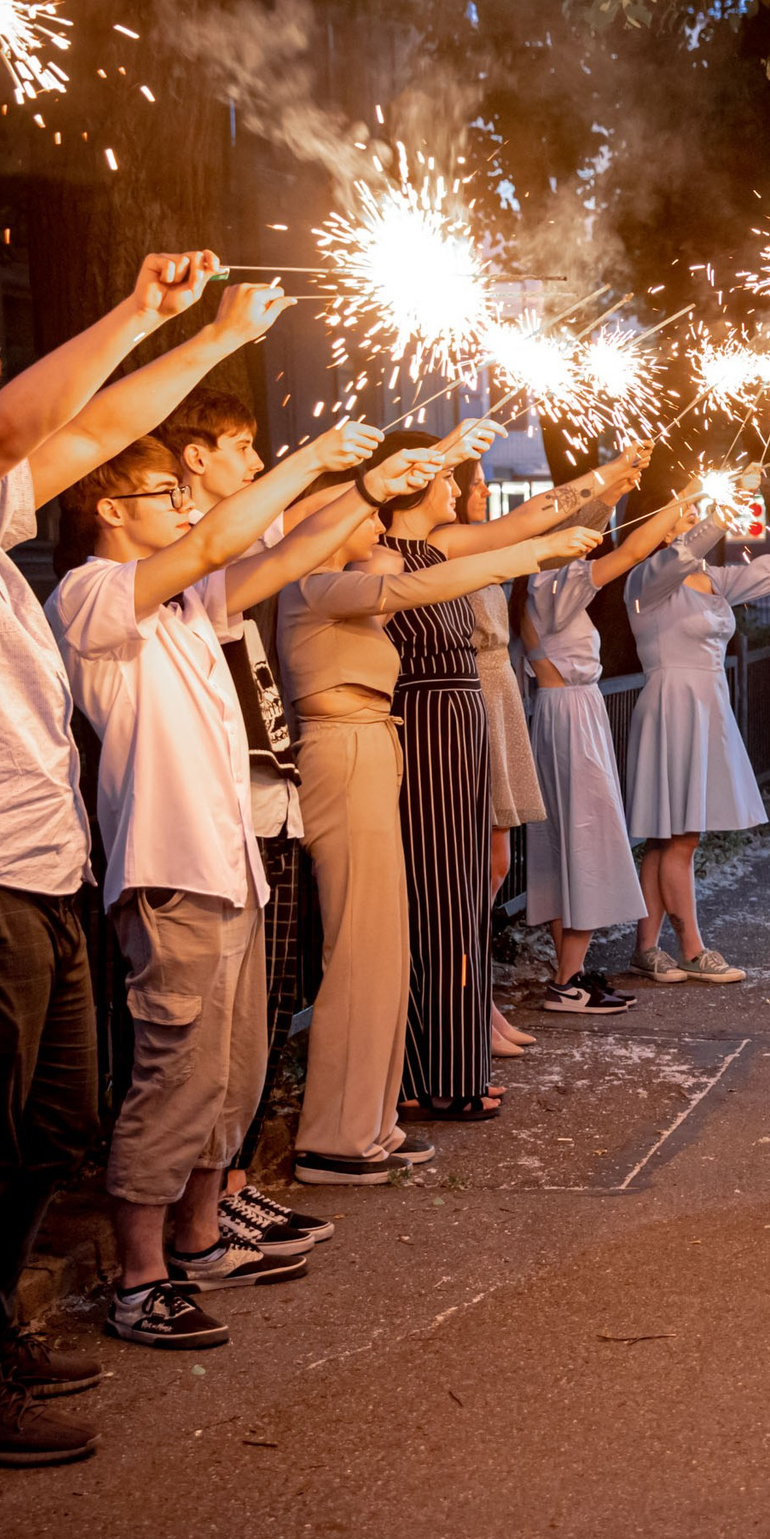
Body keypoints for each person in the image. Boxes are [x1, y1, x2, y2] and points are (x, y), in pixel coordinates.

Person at [0, 253, 255, 1466]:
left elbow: (98, 422)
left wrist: (204, 335)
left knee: (53, 1122)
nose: (19, 439)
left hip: (31, 868)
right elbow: (31, 420)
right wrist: (124, 305)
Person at [48, 404, 399, 1349]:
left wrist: (364, 489)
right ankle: (139, 1278)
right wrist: (317, 458)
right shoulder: (90, 595)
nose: (177, 506)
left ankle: (200, 1238)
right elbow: (216, 539)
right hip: (169, 872)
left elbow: (278, 560)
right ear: (110, 510)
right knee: (174, 1077)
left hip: (228, 861)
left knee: (230, 1077)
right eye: (159, 494)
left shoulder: (186, 602)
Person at [275, 469, 600, 1185]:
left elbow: (405, 572)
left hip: (377, 742)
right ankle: (336, 1134)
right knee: (360, 949)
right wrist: (529, 555)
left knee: (386, 949)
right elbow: (406, 587)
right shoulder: (314, 584)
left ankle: (369, 1122)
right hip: (343, 748)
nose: (374, 526)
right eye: (357, 513)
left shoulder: (346, 574)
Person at [156, 386, 344, 1248]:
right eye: (240, 448)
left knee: (262, 1016)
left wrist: (372, 481)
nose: (256, 464)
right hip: (209, 822)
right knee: (211, 1033)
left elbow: (295, 522)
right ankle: (204, 1203)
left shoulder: (230, 530)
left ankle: (228, 1185)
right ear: (194, 460)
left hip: (264, 803)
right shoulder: (183, 555)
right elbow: (261, 543)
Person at [377, 424, 585, 1121]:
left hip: (463, 720)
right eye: (446, 475)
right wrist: (537, 545)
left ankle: (458, 1060)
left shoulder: (440, 545)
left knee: (464, 894)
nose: (460, 487)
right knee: (434, 896)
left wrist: (609, 477)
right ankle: (428, 1070)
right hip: (424, 725)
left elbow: (529, 520)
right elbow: (517, 538)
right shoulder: (379, 556)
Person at [626, 483, 770, 984]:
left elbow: (769, 572)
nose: (692, 519)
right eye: (683, 513)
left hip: (706, 705)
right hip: (672, 705)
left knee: (669, 839)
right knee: (679, 837)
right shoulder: (648, 579)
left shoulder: (714, 579)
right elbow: (683, 554)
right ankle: (693, 949)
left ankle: (645, 948)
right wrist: (729, 503)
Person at [520, 465, 692, 1015]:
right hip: (571, 712)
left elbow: (605, 535)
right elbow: (628, 553)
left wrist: (617, 487)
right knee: (586, 837)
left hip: (564, 709)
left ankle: (569, 973)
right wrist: (680, 501)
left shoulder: (544, 581)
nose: (591, 536)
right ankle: (568, 980)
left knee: (567, 841)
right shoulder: (556, 581)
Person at [456, 466, 544, 1059]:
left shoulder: (484, 546)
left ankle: (483, 1000)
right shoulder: (449, 552)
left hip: (500, 689)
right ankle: (470, 1007)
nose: (486, 491)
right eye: (477, 482)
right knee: (478, 864)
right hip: (475, 692)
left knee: (497, 858)